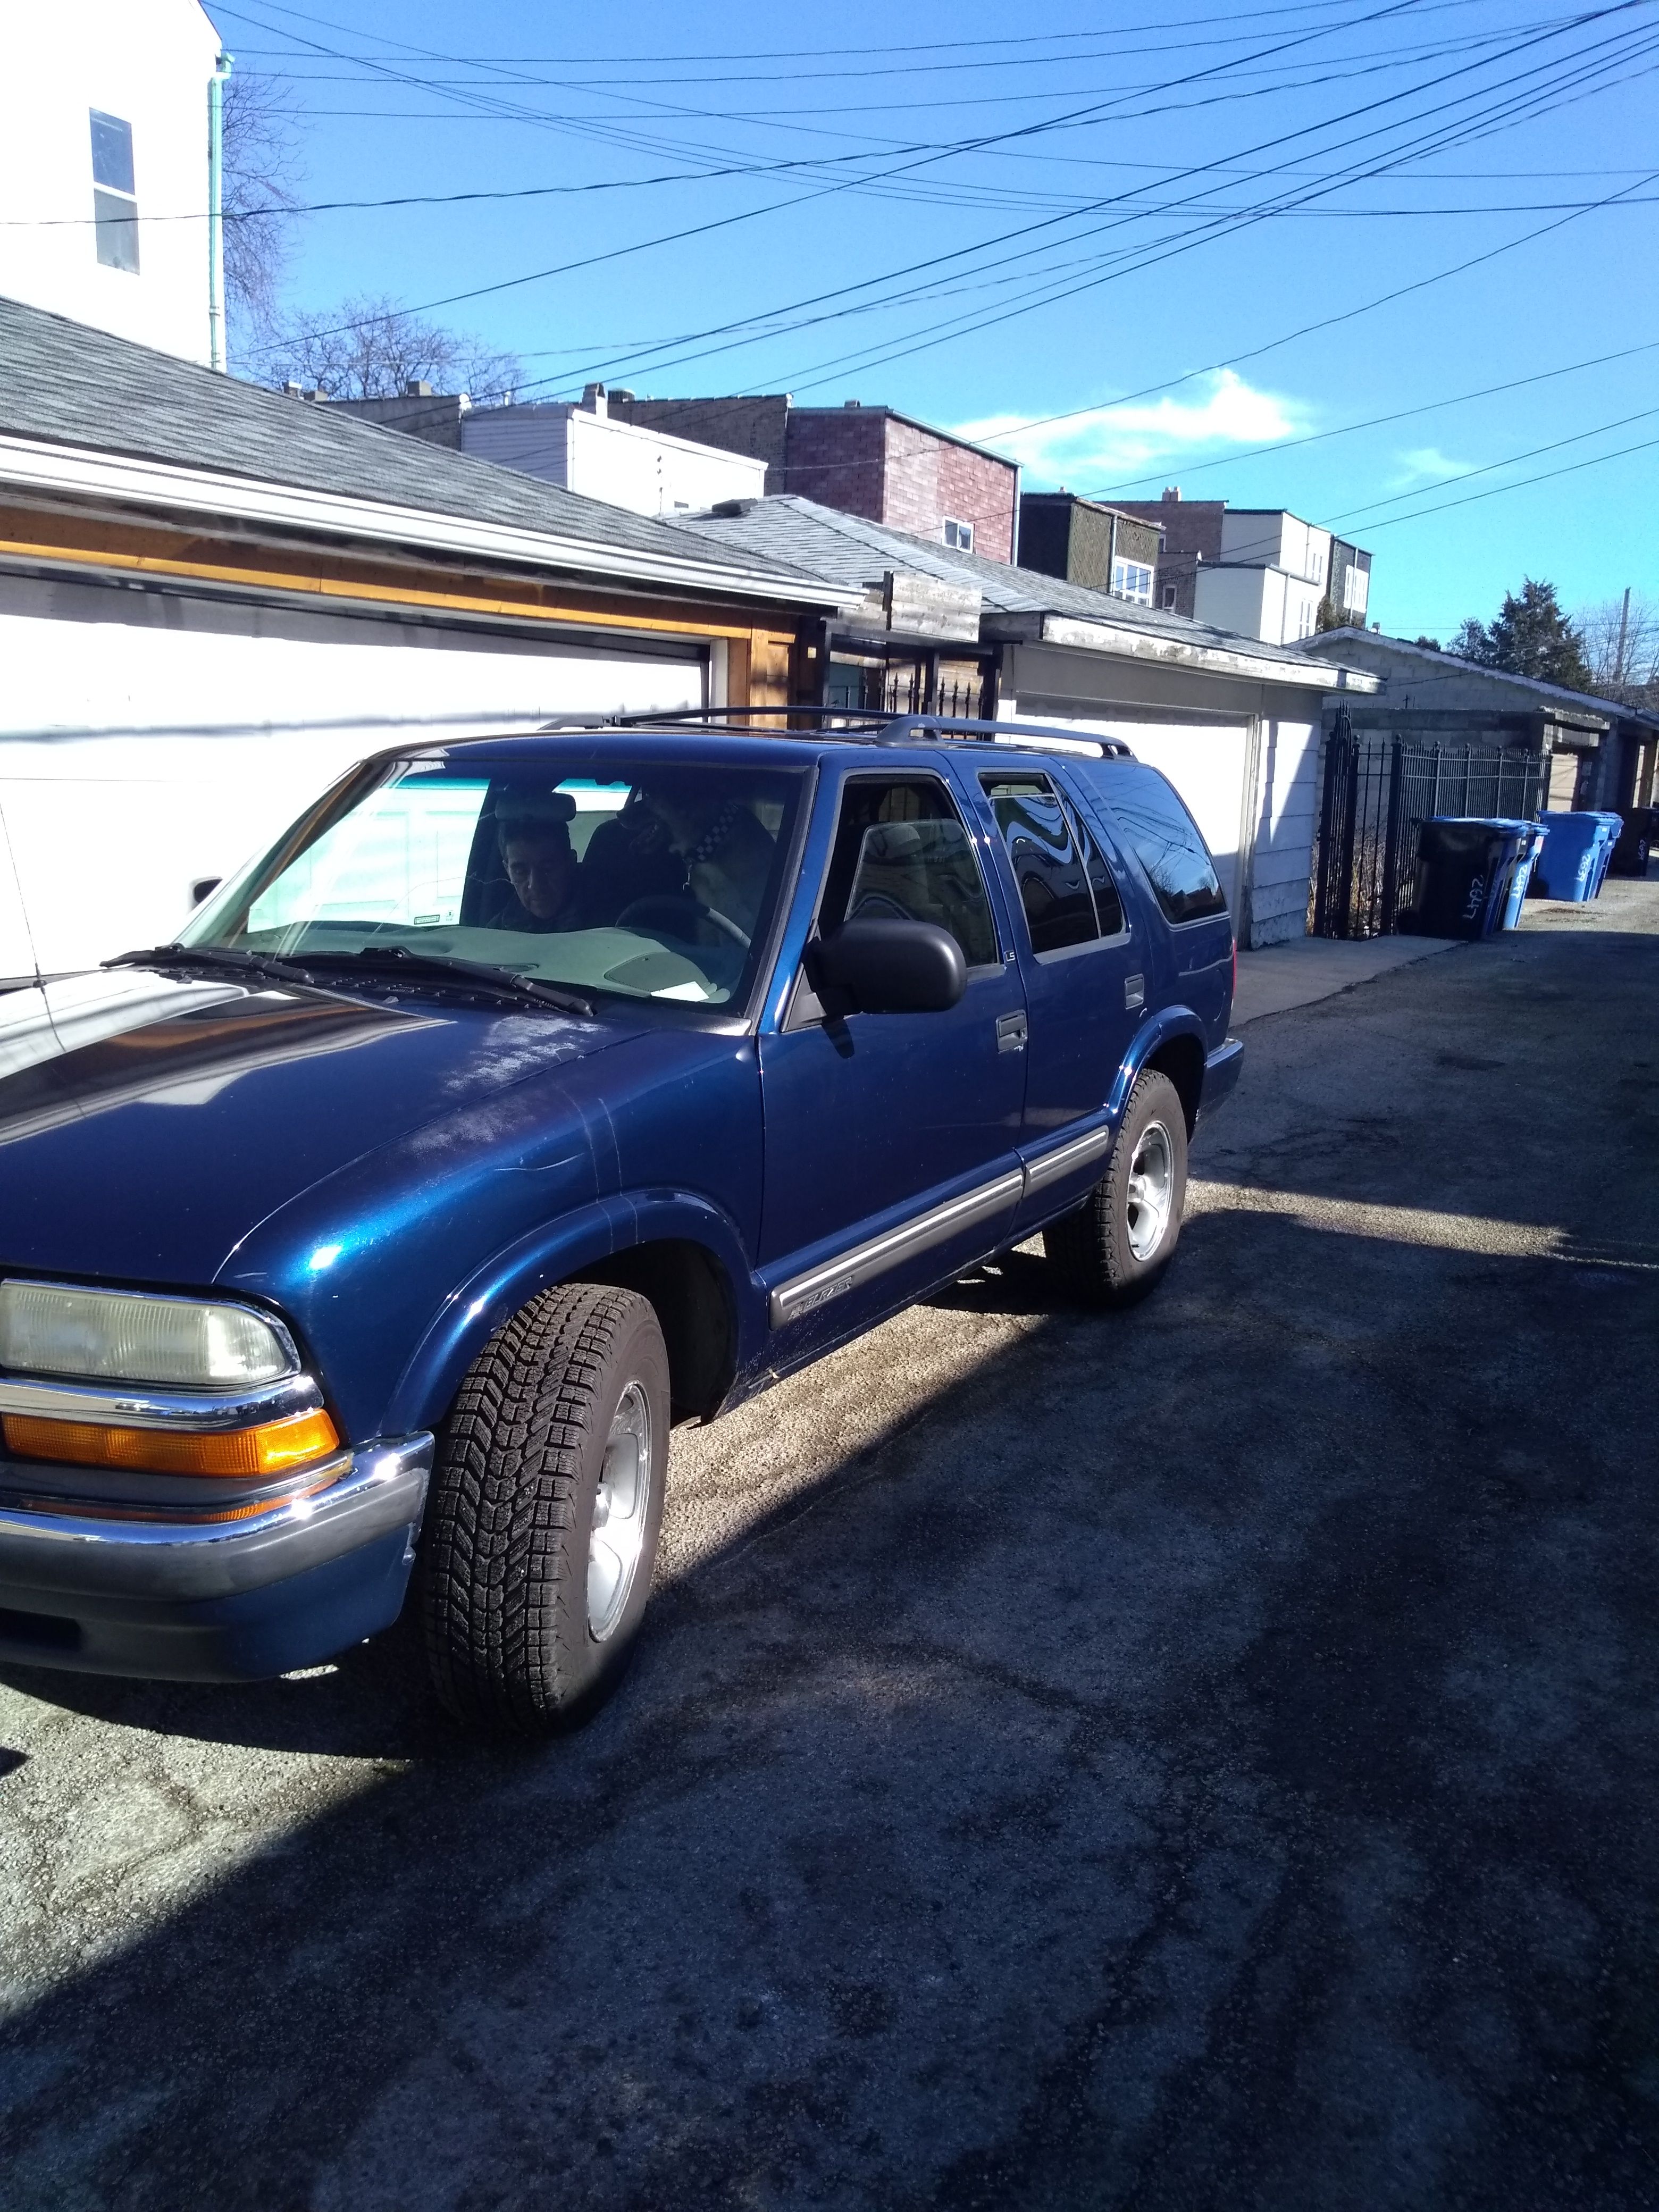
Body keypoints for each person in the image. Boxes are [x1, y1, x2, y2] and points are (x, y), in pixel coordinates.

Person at [638, 772, 776, 940]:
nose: (622, 814)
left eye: (650, 797)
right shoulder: (693, 859)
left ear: (685, 808)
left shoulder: (755, 862)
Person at [484, 794, 584, 933]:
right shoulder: (497, 932)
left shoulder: (612, 922)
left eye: (548, 869)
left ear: (571, 863)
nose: (535, 885)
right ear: (508, 871)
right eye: (520, 872)